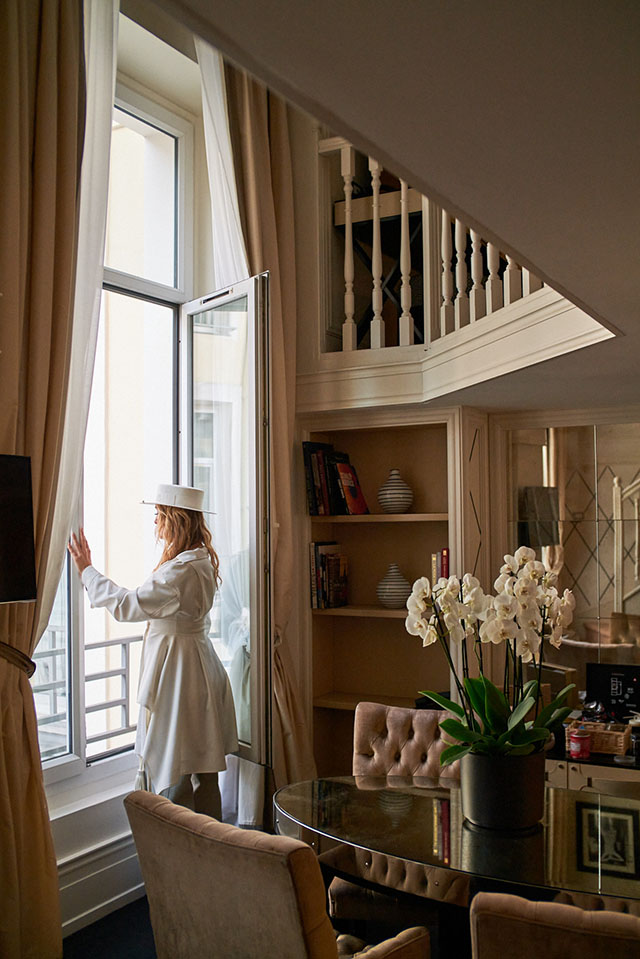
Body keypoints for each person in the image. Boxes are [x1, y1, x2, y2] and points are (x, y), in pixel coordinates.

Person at [68, 483, 238, 818]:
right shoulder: (200, 561)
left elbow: (129, 605)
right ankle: (216, 854)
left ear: (175, 521)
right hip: (199, 667)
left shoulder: (179, 571)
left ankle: (180, 853)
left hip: (181, 676)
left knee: (175, 771)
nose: (155, 525)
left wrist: (87, 570)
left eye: (159, 516)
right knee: (202, 770)